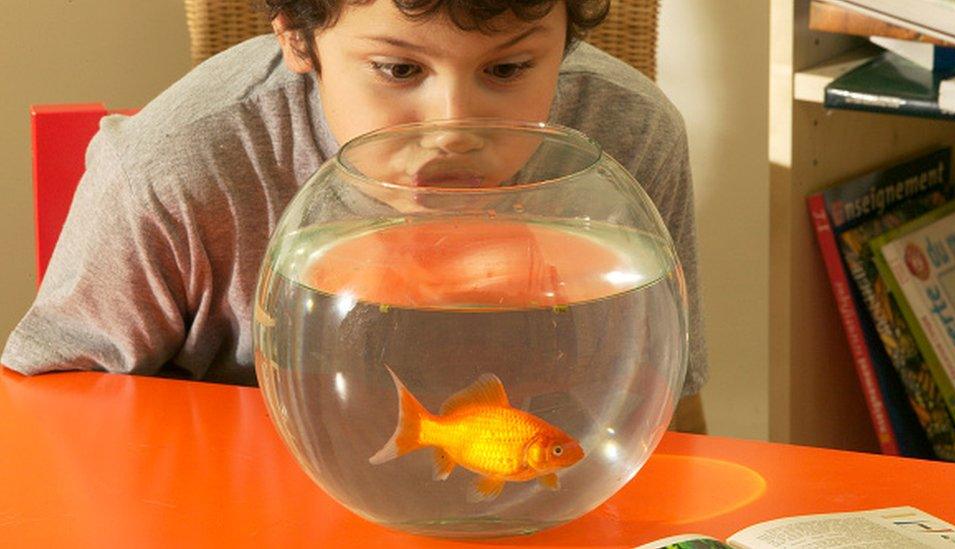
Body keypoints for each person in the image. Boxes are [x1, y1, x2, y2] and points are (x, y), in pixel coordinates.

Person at [1, 0, 707, 426]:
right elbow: (52, 412)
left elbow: (669, 404)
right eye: (400, 71)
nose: (454, 127)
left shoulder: (628, 137)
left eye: (509, 69)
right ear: (296, 36)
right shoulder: (181, 164)